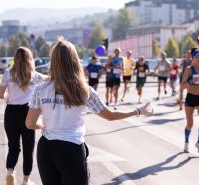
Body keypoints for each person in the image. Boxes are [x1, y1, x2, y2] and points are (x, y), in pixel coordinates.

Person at [25, 38, 154, 185]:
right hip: (71, 149)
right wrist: (137, 111)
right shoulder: (84, 91)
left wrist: (45, 124)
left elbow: (29, 124)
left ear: (53, 62)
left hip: (46, 150)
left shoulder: (40, 89)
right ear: (75, 61)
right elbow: (110, 116)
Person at [0, 47, 46, 185]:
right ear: (30, 59)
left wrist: (8, 95)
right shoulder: (35, 75)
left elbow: (0, 95)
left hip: (11, 112)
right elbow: (51, 81)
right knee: (28, 148)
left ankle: (10, 172)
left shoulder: (8, 73)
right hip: (27, 112)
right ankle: (26, 180)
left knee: (13, 146)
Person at [180, 48, 199, 154]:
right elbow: (182, 86)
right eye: (197, 57)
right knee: (190, 124)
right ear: (192, 58)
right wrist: (190, 82)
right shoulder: (189, 70)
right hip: (191, 98)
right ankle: (186, 142)